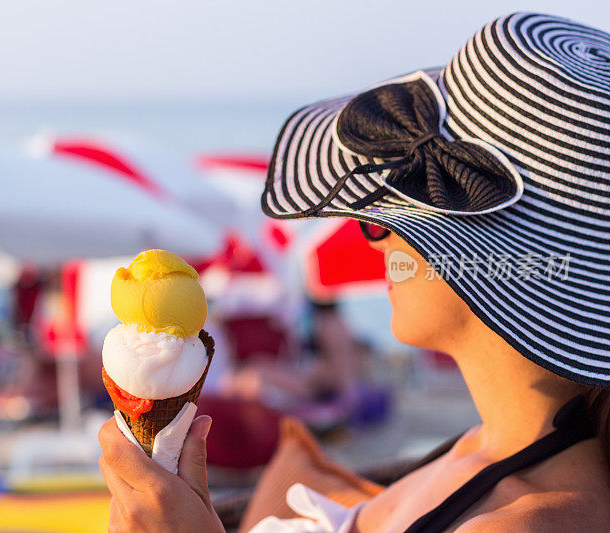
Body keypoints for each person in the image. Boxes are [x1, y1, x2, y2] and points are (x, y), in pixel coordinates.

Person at [98, 12, 610, 531]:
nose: (377, 235)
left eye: (396, 216)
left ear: (499, 258)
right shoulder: (478, 455)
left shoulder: (525, 519)